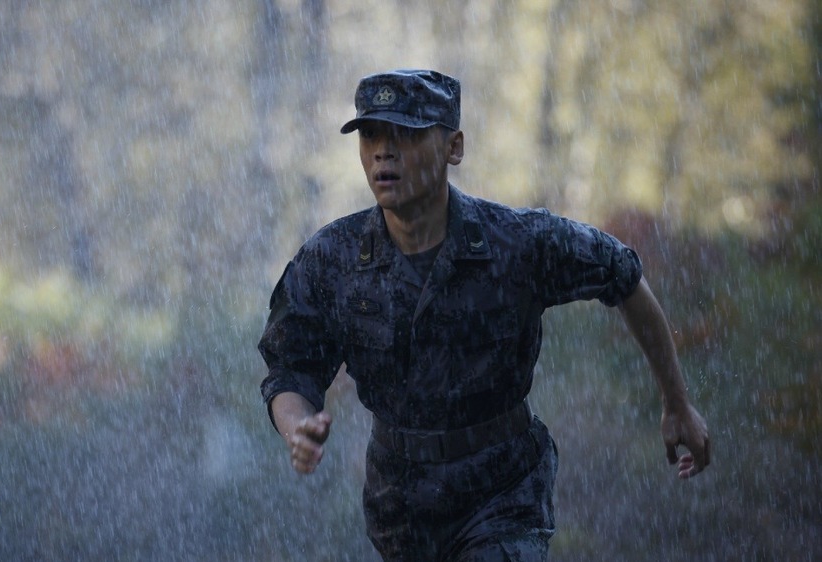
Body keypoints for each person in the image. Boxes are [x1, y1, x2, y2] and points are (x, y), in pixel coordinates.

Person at [258, 69, 710, 561]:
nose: (383, 151)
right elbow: (289, 366)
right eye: (370, 134)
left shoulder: (516, 242)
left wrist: (676, 402)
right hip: (400, 504)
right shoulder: (333, 257)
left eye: (405, 133)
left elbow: (624, 276)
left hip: (503, 490)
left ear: (454, 147)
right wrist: (297, 425)